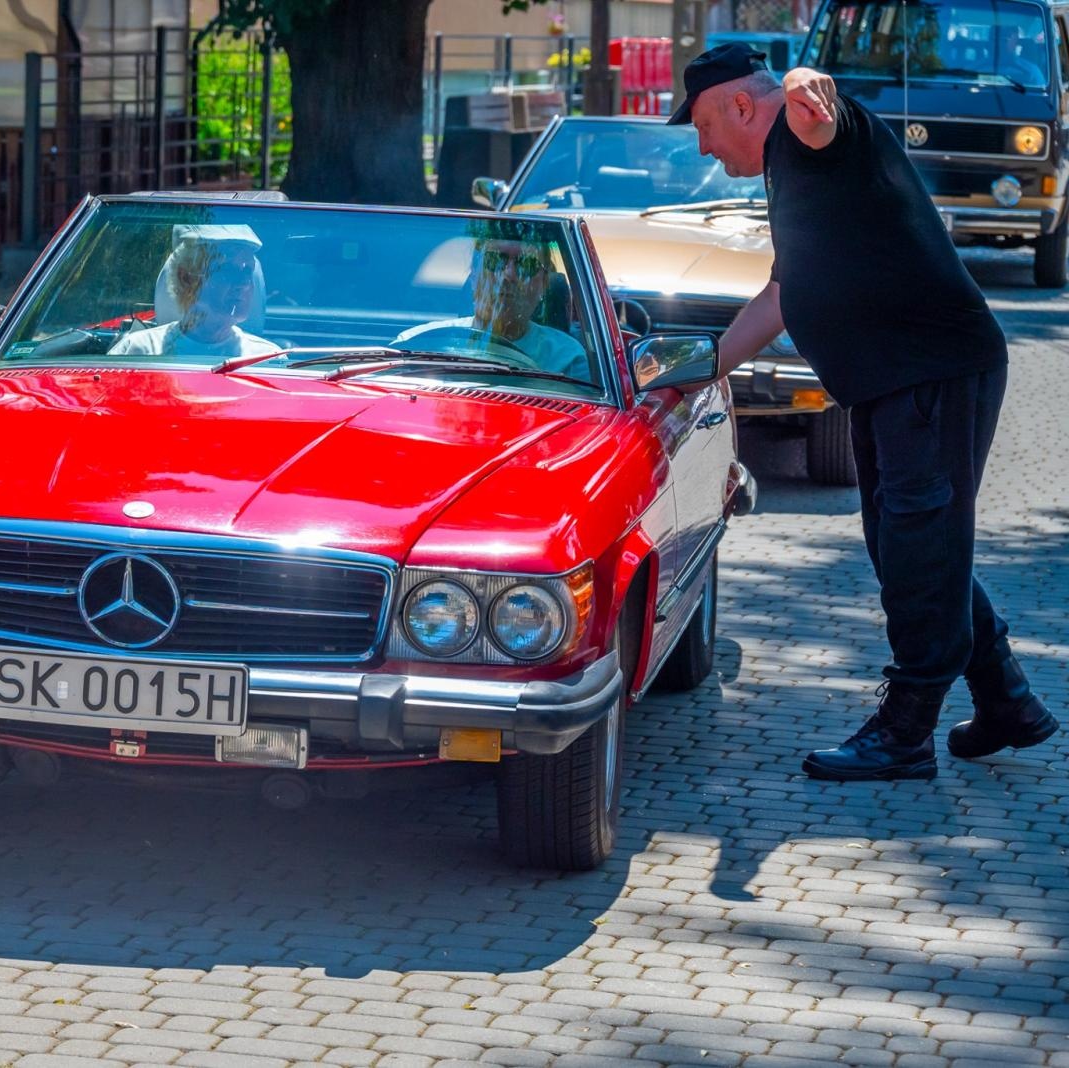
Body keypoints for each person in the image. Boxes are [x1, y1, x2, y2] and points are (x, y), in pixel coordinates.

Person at [670, 43, 1058, 780]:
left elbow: (821, 113)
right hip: (894, 383)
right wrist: (697, 370)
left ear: (742, 107)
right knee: (911, 546)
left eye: (703, 126)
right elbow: (783, 294)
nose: (703, 145)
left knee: (917, 549)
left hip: (932, 373)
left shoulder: (811, 137)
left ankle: (906, 731)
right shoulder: (790, 171)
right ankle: (1008, 701)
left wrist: (802, 84)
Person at [393, 235, 591, 383]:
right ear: (473, 277)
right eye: (494, 261)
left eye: (527, 265)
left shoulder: (568, 360)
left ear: (544, 284)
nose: (508, 275)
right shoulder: (416, 345)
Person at [109, 224, 279, 359]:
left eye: (247, 271)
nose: (243, 283)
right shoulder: (138, 351)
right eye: (226, 269)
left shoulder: (266, 359)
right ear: (187, 278)